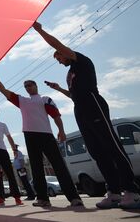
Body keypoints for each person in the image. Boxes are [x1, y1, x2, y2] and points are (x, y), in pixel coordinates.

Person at [32, 21, 140, 209]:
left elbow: (56, 45)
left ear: (65, 53)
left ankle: (132, 190)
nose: (58, 60)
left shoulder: (80, 61)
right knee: (97, 151)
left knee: (111, 146)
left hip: (93, 104)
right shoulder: (71, 73)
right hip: (80, 108)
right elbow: (74, 95)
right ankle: (114, 192)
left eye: (58, 57)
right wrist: (59, 89)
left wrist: (40, 30)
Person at [0, 69, 82, 207]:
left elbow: (56, 115)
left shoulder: (45, 99)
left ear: (36, 86)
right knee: (36, 168)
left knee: (59, 165)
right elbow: (3, 90)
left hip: (46, 134)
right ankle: (42, 198)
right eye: (26, 86)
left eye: (30, 85)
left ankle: (74, 197)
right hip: (30, 135)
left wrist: (61, 131)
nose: (28, 87)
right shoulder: (22, 100)